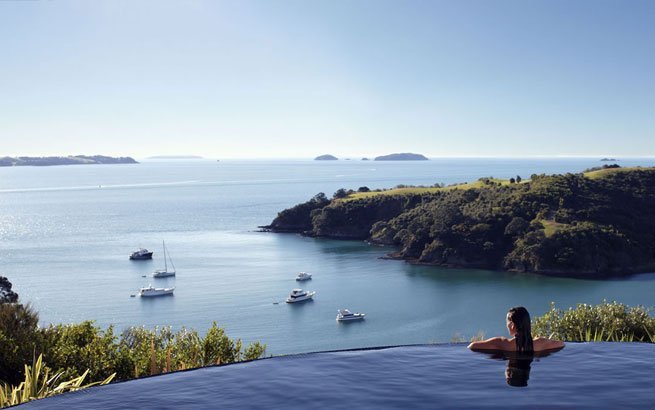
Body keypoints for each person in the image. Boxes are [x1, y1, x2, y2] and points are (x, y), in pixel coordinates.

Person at [467, 306, 565, 352]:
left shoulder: (502, 343)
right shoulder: (540, 343)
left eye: (507, 322)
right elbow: (561, 344)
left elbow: (472, 346)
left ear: (512, 325)